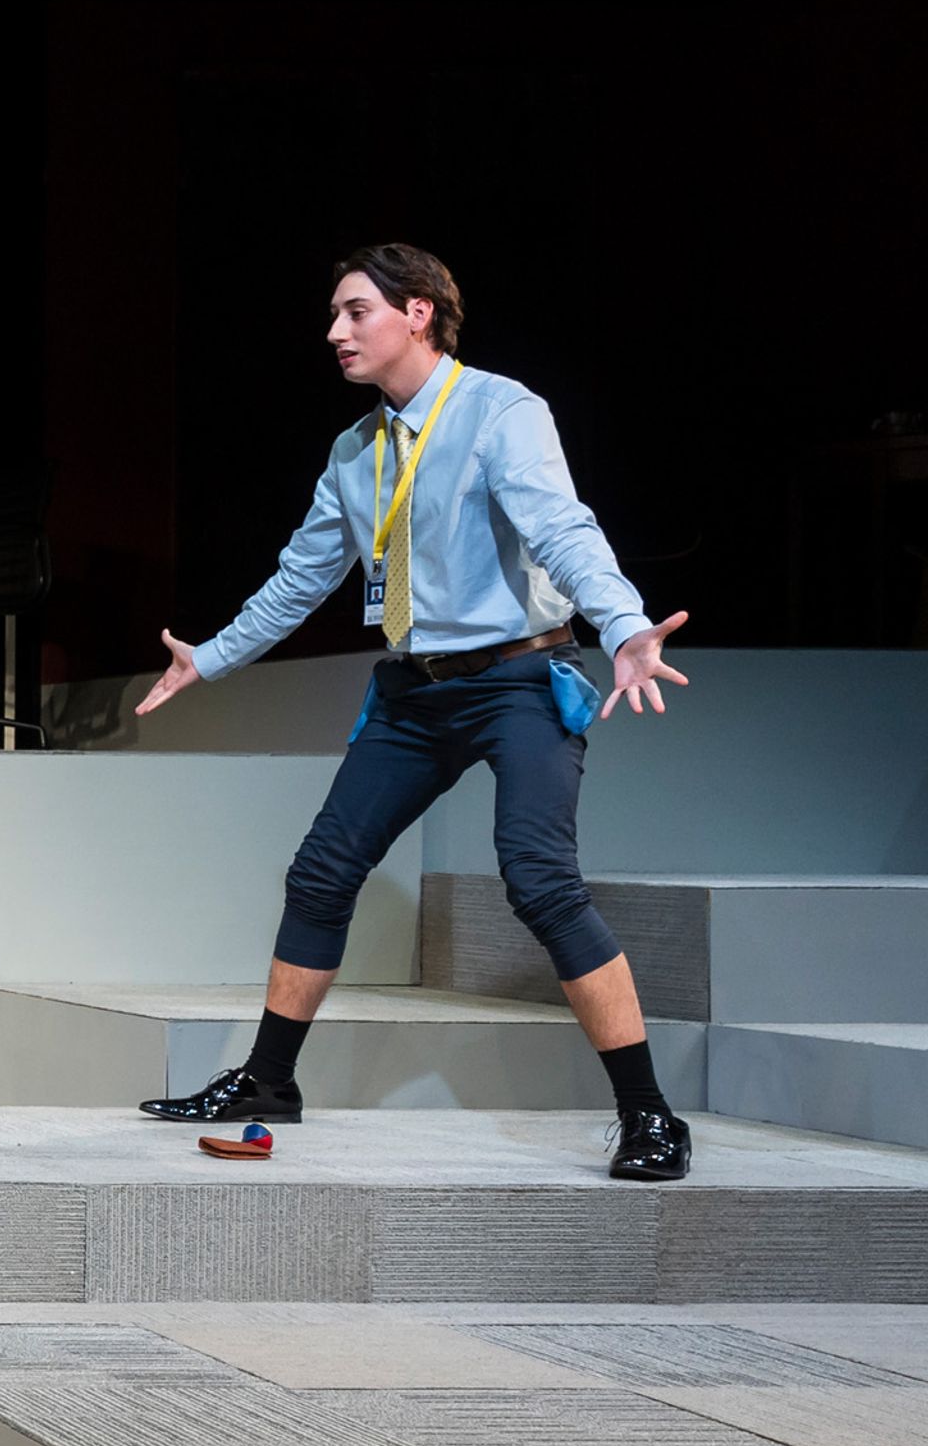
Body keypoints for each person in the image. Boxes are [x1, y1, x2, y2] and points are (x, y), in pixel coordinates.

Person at [132, 243, 696, 1178]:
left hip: (518, 680)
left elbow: (564, 529)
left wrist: (626, 624)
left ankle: (649, 1115)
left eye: (355, 312)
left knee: (540, 882)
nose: (335, 333)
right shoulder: (356, 451)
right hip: (412, 691)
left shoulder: (499, 412)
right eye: (333, 315)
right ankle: (269, 1082)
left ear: (419, 312)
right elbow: (302, 577)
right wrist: (215, 656)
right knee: (321, 873)